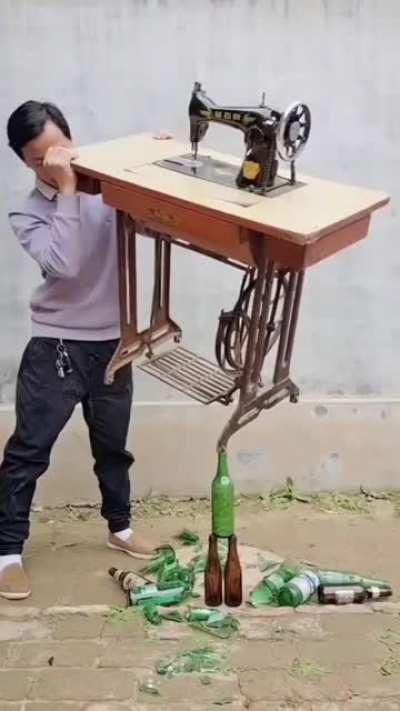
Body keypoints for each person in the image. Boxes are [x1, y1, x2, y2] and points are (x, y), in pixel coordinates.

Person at [0, 100, 158, 600]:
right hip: (58, 345)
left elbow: (155, 222)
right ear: (26, 162)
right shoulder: (26, 211)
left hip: (112, 342)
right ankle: (6, 551)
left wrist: (156, 165)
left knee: (113, 447)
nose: (56, 162)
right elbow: (64, 264)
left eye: (62, 150)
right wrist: (67, 190)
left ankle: (120, 528)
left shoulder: (109, 188)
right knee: (28, 452)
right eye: (42, 158)